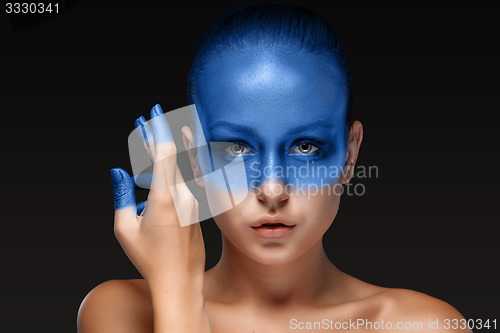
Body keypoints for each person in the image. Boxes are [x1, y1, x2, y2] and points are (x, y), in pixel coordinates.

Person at [77, 3, 471, 332]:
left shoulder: (421, 325)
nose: (271, 189)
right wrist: (176, 290)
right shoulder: (122, 311)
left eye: (305, 147)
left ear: (350, 155)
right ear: (194, 156)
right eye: (236, 148)